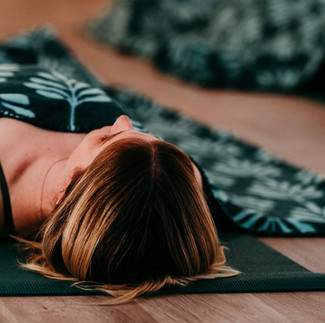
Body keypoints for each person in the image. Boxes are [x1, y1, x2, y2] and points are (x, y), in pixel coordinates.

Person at [0, 65, 239, 303]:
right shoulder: (171, 178)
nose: (123, 121)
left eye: (107, 139)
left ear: (66, 193)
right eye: (152, 138)